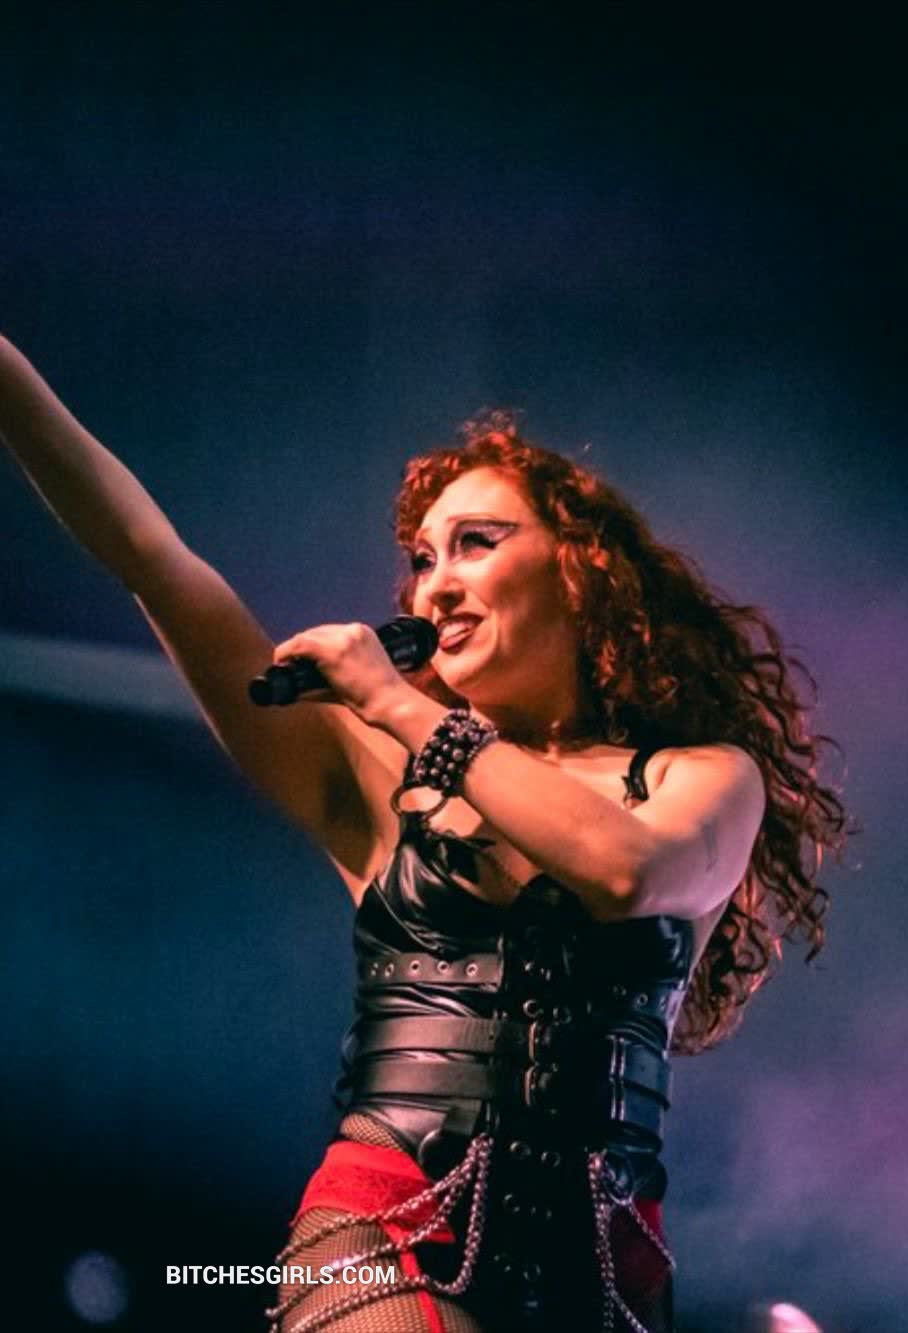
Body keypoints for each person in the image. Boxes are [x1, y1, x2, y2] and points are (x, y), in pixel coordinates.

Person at [1, 335, 849, 1333]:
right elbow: (149, 555)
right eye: (421, 560)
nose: (434, 584)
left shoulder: (699, 776)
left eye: (476, 543)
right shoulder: (377, 772)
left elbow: (624, 869)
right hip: (382, 1220)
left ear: (580, 570)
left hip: (603, 1263)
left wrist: (407, 710)